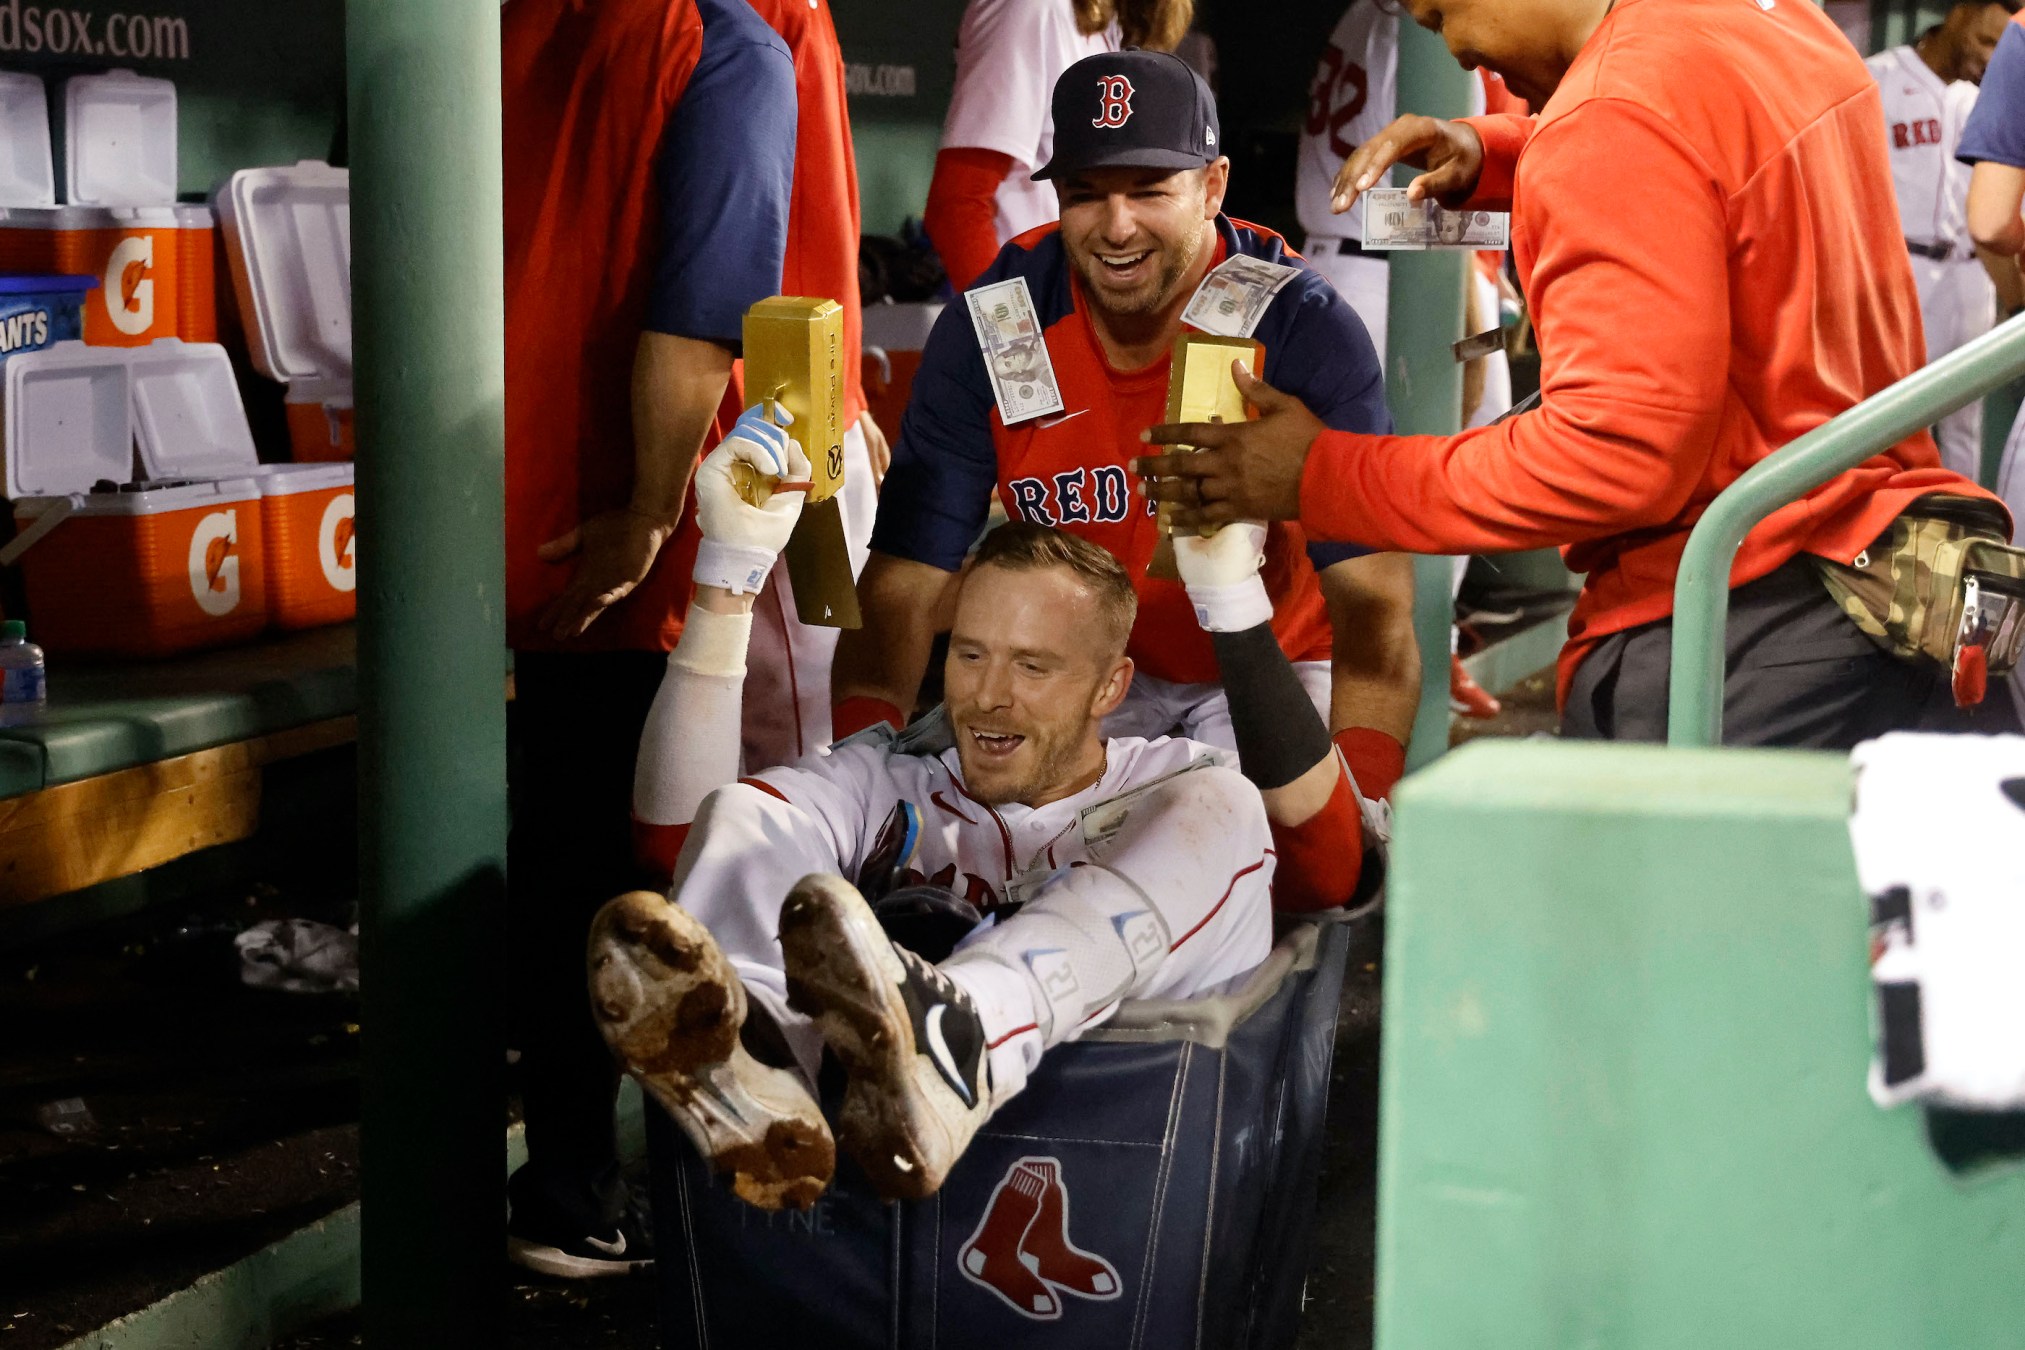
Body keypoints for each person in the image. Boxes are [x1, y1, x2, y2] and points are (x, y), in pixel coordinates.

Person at [1137, 0, 2007, 749]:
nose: (1456, 49)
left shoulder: (1611, 118)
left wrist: (1318, 473)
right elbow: (1701, 140)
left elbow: (1610, 458)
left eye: (1442, 14)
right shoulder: (1778, 25)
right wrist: (1509, 153)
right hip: (1885, 586)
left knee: (1677, 943)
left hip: (1734, 623)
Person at [607, 409, 1365, 1212]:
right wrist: (725, 581)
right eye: (969, 655)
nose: (987, 695)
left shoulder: (1178, 790)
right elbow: (679, 849)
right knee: (744, 813)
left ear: (1111, 688)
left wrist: (1236, 608)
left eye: (1032, 665)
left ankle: (962, 1035)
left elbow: (1328, 873)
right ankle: (760, 1062)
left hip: (1125, 1193)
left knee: (1228, 804)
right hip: (881, 1191)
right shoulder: (902, 777)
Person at [838, 48, 1420, 816]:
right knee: (950, 819)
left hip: (1277, 660)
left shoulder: (1297, 328)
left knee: (1289, 850)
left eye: (1150, 190)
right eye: (1085, 194)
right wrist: (859, 776)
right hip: (1094, 668)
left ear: (1212, 186)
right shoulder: (1002, 319)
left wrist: (1365, 800)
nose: (1116, 228)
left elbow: (1373, 607)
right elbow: (902, 584)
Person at [500, 0, 795, 1278]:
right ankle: (574, 1194)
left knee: (508, 857)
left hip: (447, 513)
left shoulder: (488, 23)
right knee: (615, 876)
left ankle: (541, 1187)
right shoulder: (727, 43)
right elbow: (695, 329)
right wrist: (645, 513)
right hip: (595, 546)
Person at [1294, 0, 1518, 718]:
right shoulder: (1423, 27)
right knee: (1438, 473)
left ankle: (1425, 647)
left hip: (1363, 267)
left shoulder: (1365, 14)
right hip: (1401, 273)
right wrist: (1478, 337)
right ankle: (1403, 660)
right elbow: (1428, 206)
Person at [739, 0, 890, 768]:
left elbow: (814, 213)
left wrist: (840, 393)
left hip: (789, 394)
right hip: (773, 391)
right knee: (780, 703)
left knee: (792, 705)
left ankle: (801, 884)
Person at [923, 0, 1193, 294]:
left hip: (1081, 312)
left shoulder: (1109, 25)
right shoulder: (1031, 8)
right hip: (1032, 307)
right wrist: (1013, 336)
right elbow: (958, 203)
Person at [1867, 0, 2019, 480]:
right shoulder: (1877, 79)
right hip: (1906, 268)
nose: (1992, 58)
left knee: (1964, 424)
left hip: (1973, 270)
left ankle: (1962, 532)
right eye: (1985, 42)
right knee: (1889, 416)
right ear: (1960, 15)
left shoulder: (1987, 93)